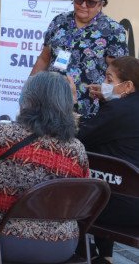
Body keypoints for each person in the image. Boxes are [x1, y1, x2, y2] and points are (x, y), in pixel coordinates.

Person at [0, 71, 89, 263]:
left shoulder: (2, 135)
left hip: (0, 238)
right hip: (61, 244)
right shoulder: (77, 150)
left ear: (29, 99)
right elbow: (81, 200)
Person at [30, 0, 128, 119]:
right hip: (49, 105)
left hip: (88, 112)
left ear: (101, 4)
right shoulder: (59, 21)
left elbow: (119, 74)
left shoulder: (114, 31)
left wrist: (108, 93)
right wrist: (29, 90)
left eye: (90, 2)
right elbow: (44, 59)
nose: (83, 5)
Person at [77, 56, 139, 264]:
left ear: (127, 86)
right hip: (129, 197)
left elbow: (79, 139)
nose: (104, 84)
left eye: (109, 79)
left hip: (124, 206)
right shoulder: (122, 109)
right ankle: (105, 257)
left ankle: (77, 254)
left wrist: (72, 106)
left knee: (68, 195)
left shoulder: (118, 110)